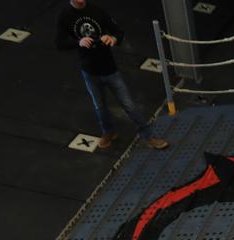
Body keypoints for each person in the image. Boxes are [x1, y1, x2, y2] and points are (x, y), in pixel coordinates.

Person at [56, 0, 169, 151]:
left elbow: (118, 32)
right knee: (100, 107)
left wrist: (112, 39)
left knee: (129, 105)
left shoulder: (97, 11)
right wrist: (79, 42)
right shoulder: (65, 15)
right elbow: (60, 43)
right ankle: (108, 132)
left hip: (109, 69)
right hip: (90, 72)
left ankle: (149, 136)